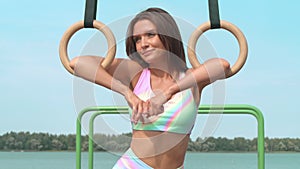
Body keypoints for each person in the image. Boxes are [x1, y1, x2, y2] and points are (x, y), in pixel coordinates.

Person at [70, 7, 230, 169]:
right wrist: (126, 92)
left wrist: (168, 92)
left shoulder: (191, 80)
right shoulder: (136, 73)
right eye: (137, 40)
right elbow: (78, 63)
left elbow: (221, 65)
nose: (143, 44)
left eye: (150, 35)